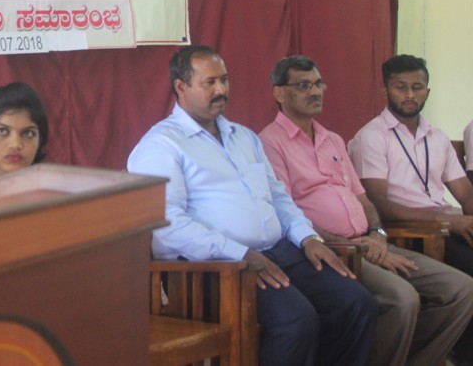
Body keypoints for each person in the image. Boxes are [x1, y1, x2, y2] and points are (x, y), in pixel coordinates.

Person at [127, 45, 376, 366]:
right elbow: (168, 223)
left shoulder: (243, 137)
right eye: (210, 82)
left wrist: (307, 237)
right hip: (216, 268)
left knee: (357, 304)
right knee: (296, 321)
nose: (221, 90)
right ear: (181, 87)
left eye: (225, 80)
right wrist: (239, 253)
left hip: (280, 252)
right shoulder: (161, 145)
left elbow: (279, 197)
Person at [259, 55, 473, 366]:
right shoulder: (269, 143)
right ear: (279, 93)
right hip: (332, 248)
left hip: (372, 241)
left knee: (462, 290)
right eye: (303, 86)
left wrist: (377, 233)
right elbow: (286, 213)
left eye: (318, 84)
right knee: (402, 299)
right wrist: (351, 244)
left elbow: (364, 201)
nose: (315, 92)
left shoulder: (332, 139)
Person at [349, 53, 473, 363]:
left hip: (445, 227)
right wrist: (446, 221)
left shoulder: (437, 137)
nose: (409, 95)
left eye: (417, 87)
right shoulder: (372, 137)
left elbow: (466, 195)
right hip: (409, 234)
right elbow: (381, 206)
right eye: (400, 87)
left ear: (427, 91)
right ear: (385, 91)